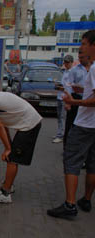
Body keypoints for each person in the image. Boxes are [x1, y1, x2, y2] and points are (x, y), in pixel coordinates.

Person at [47, 30, 95, 218]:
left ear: (93, 45)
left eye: (83, 44)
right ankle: (86, 200)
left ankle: (70, 204)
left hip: (85, 124)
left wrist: (74, 101)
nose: (81, 47)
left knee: (72, 161)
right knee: (92, 165)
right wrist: (82, 90)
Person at [63, 50, 91, 146]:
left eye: (82, 57)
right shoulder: (75, 70)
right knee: (70, 123)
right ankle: (67, 145)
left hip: (89, 99)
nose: (81, 59)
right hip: (75, 98)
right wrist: (68, 102)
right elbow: (68, 85)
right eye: (79, 57)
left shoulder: (93, 69)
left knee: (85, 125)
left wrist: (83, 89)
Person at [53, 55, 73, 144]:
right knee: (59, 117)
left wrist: (62, 89)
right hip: (60, 96)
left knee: (63, 117)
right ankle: (59, 133)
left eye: (67, 62)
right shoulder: (65, 71)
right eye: (65, 62)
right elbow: (64, 84)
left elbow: (69, 87)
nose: (66, 64)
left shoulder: (72, 72)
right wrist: (58, 85)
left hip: (65, 97)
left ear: (71, 62)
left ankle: (61, 135)